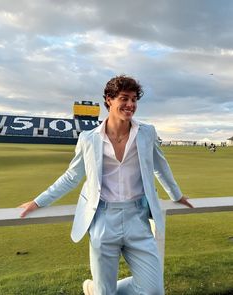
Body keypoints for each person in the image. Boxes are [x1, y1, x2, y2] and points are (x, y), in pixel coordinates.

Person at [19, 75, 193, 295]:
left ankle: (96, 290)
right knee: (105, 292)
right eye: (124, 98)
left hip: (138, 218)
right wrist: (38, 201)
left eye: (134, 100)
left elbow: (160, 166)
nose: (130, 105)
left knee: (153, 290)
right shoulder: (88, 138)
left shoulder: (147, 133)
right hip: (102, 219)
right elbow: (72, 176)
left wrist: (176, 195)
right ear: (109, 100)